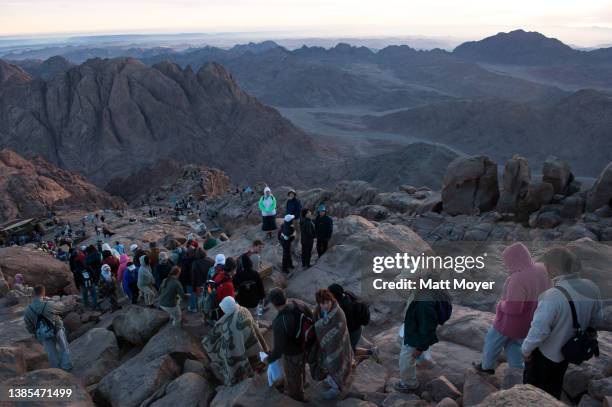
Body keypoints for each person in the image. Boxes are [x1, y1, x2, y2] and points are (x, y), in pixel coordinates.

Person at [522, 247, 603, 399]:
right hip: (569, 351)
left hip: (545, 354)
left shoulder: (551, 296)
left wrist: (526, 350)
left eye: (546, 266)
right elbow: (597, 319)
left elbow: (539, 331)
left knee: (531, 394)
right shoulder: (592, 287)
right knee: (554, 390)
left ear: (553, 268)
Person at [474, 243, 550, 375]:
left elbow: (514, 308)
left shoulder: (518, 279)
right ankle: (517, 371)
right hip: (530, 320)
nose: (507, 265)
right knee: (514, 345)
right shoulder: (542, 268)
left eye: (507, 262)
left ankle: (486, 367)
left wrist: (500, 304)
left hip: (509, 323)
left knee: (492, 341)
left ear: (514, 260)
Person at [203, 296, 269, 386]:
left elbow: (232, 349)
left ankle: (248, 377)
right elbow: (254, 327)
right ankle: (258, 369)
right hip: (252, 344)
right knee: (254, 360)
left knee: (232, 355)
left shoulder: (231, 326)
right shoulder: (243, 310)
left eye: (223, 309)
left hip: (244, 348)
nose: (222, 311)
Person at [264, 288, 313, 402]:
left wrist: (268, 359)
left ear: (274, 304)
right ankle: (304, 383)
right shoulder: (298, 303)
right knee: (300, 368)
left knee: (293, 375)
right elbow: (311, 317)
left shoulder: (279, 322)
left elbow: (278, 350)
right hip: (305, 345)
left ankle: (298, 396)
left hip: (292, 353)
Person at [310, 289, 354, 400]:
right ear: (319, 303)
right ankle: (331, 380)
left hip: (338, 346)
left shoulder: (338, 313)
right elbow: (316, 323)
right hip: (325, 347)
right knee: (327, 364)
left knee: (336, 365)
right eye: (322, 303)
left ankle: (336, 388)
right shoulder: (317, 311)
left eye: (327, 302)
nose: (326, 305)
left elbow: (339, 331)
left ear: (331, 300)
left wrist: (320, 328)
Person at [395, 288, 439, 393]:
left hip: (415, 335)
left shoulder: (424, 303)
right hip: (412, 326)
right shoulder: (419, 291)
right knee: (400, 339)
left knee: (405, 360)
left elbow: (428, 329)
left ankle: (409, 384)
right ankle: (422, 358)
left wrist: (420, 348)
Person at [23, 285, 72, 371]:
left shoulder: (28, 310)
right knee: (64, 348)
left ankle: (57, 371)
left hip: (43, 334)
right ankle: (66, 366)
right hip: (57, 330)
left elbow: (29, 327)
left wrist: (36, 333)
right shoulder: (49, 304)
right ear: (43, 293)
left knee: (51, 354)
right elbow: (60, 313)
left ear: (34, 294)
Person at [328, 284, 377, 359]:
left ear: (334, 295)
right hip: (356, 328)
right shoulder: (347, 294)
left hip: (353, 332)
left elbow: (345, 325)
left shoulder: (343, 307)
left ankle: (371, 352)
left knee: (348, 351)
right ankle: (371, 352)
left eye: (329, 294)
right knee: (348, 349)